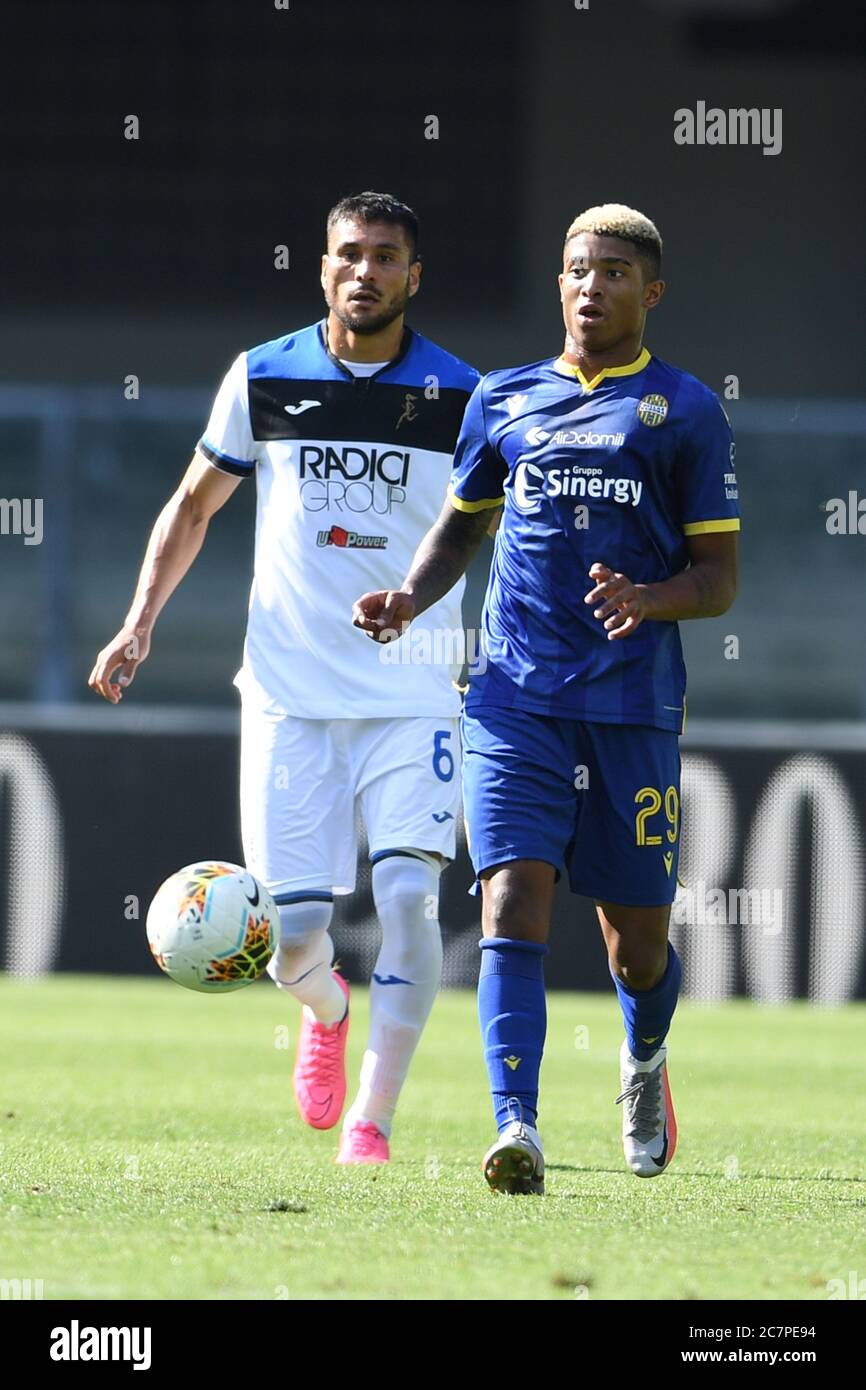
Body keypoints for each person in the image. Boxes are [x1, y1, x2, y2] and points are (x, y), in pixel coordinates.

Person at [352, 203, 739, 1191]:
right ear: (556, 282)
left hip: (629, 707)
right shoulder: (502, 398)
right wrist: (409, 593)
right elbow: (458, 527)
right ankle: (515, 1125)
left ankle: (643, 1059)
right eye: (575, 268)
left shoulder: (684, 410)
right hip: (510, 696)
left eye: (612, 271)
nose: (588, 286)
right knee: (510, 897)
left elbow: (718, 578)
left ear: (648, 291)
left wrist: (649, 597)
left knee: (635, 946)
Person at [89, 191, 480, 1165]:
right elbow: (192, 506)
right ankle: (326, 1008)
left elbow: (495, 532)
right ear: (321, 268)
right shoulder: (262, 376)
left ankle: (373, 1122)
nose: (364, 271)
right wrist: (139, 622)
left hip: (415, 689)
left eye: (385, 256)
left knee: (406, 901)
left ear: (412, 276)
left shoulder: (462, 396)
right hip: (288, 694)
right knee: (294, 939)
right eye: (348, 254)